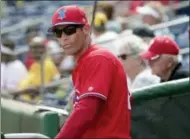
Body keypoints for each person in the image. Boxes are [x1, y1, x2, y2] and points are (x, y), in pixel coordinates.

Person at [48, 5, 131, 138]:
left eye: (69, 30)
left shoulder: (98, 58)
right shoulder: (85, 62)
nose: (63, 37)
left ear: (86, 29)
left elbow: (87, 109)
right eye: (58, 33)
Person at [19, 36, 60, 102]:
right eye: (31, 47)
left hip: (34, 102)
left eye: (37, 47)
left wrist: (16, 92)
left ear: (45, 49)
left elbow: (36, 89)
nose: (33, 50)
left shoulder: (47, 65)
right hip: (22, 100)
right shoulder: (35, 64)